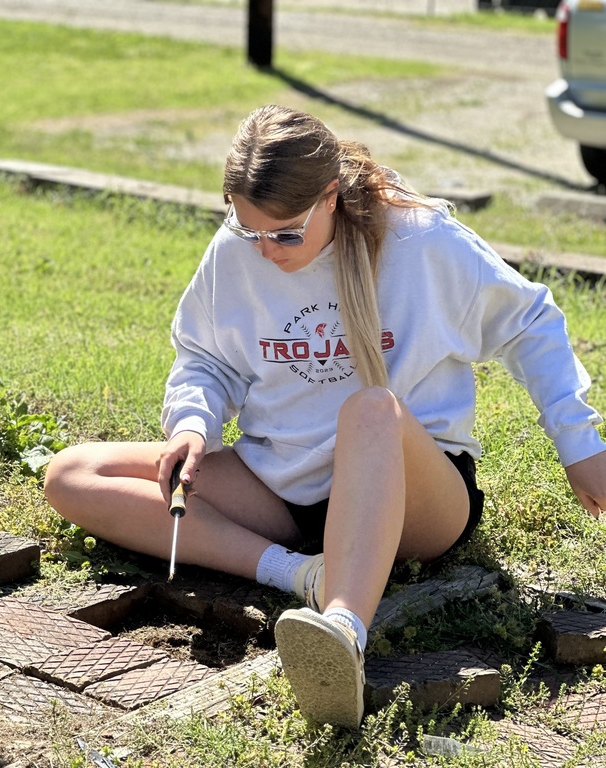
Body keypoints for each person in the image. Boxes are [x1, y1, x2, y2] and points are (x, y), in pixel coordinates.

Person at [43, 104, 606, 729]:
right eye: (248, 229)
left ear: (331, 196)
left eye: (285, 233)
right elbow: (205, 357)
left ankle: (343, 630)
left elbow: (530, 321)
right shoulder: (238, 250)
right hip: (285, 486)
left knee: (370, 409)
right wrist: (192, 425)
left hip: (420, 497)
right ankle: (304, 575)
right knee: (72, 474)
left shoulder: (422, 242)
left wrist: (579, 445)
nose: (266, 251)